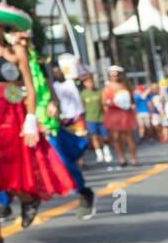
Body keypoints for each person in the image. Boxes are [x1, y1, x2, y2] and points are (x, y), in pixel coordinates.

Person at [0, 17, 73, 243]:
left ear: (4, 28)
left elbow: (30, 88)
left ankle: (27, 198)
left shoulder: (17, 52)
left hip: (14, 116)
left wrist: (31, 119)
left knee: (13, 166)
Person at [47, 54, 97, 220]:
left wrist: (79, 64)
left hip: (74, 119)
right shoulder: (51, 84)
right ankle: (8, 202)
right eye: (55, 71)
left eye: (59, 70)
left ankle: (82, 190)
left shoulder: (72, 81)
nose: (57, 73)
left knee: (68, 156)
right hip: (55, 120)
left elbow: (88, 76)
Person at [103, 66, 138, 166]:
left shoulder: (125, 85)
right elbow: (104, 100)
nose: (115, 76)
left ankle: (133, 158)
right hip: (113, 114)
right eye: (113, 74)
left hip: (125, 114)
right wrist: (109, 102)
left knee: (129, 137)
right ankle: (122, 158)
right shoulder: (108, 87)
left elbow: (132, 99)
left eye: (117, 74)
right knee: (116, 138)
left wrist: (127, 104)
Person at [80, 72, 112, 166]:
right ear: (85, 84)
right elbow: (82, 107)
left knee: (105, 137)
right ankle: (99, 154)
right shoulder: (83, 94)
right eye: (88, 82)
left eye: (91, 81)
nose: (90, 84)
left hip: (102, 118)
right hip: (90, 119)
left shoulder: (100, 91)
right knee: (94, 137)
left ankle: (107, 151)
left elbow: (104, 103)